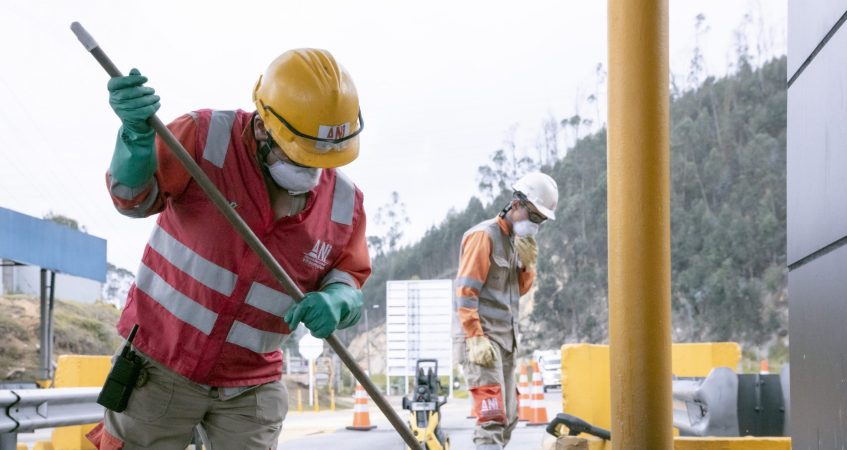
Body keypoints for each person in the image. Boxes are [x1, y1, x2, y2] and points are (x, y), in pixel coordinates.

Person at [87, 49, 371, 450]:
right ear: (261, 127)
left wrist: (337, 300)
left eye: (325, 159)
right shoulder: (204, 138)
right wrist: (136, 138)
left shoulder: (344, 204)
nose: (313, 170)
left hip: (250, 387)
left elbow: (350, 276)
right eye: (301, 154)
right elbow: (131, 199)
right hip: (159, 364)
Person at [454, 172, 558, 450]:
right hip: (481, 339)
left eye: (541, 220)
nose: (536, 225)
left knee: (510, 417)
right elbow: (465, 291)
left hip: (506, 341)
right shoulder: (483, 236)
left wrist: (528, 265)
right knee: (492, 418)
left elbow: (518, 291)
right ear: (516, 205)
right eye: (534, 217)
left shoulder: (516, 244)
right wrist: (474, 337)